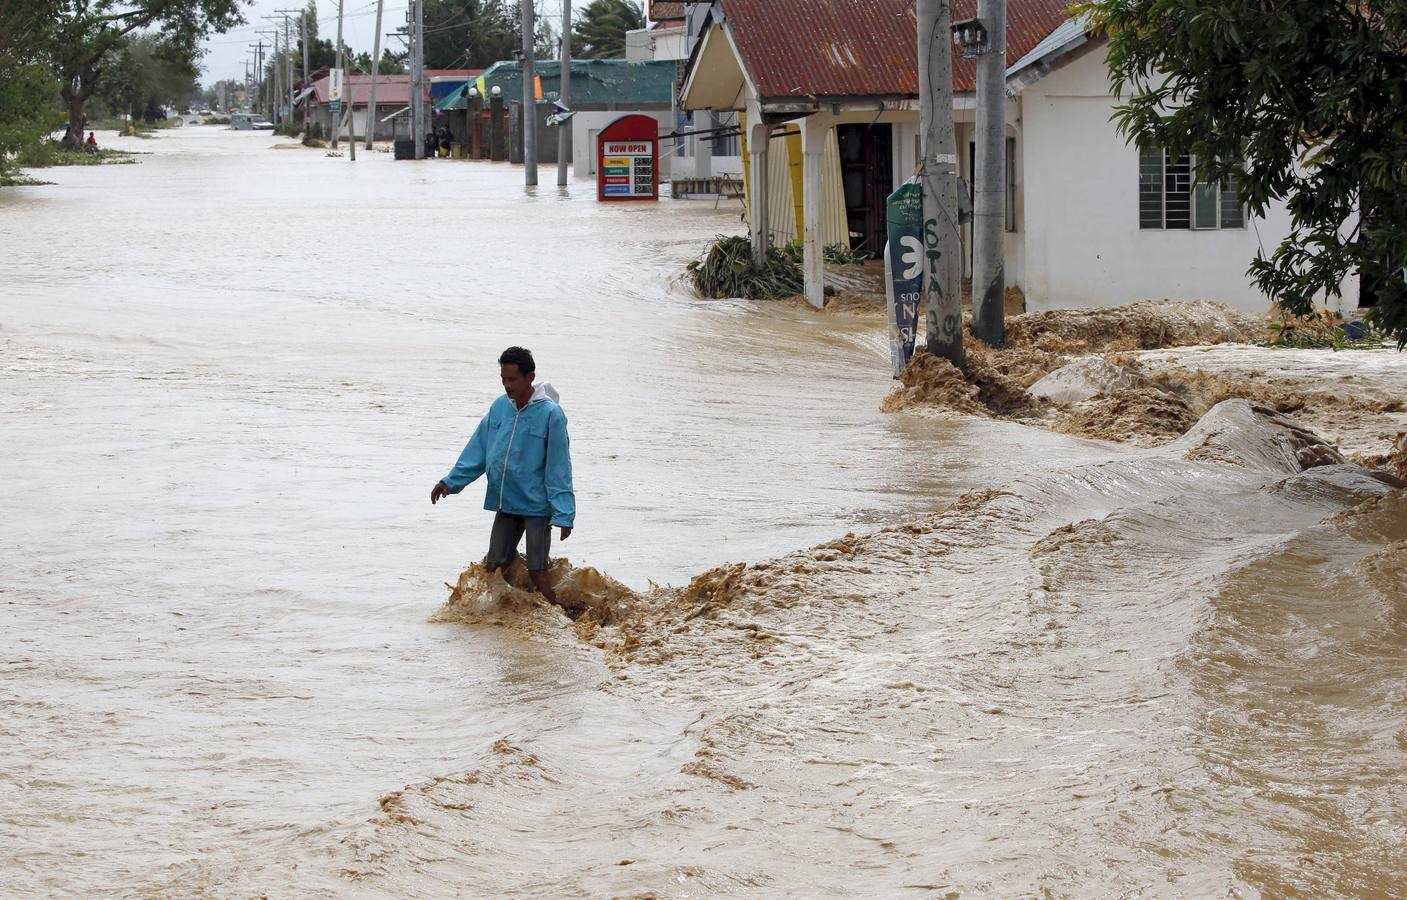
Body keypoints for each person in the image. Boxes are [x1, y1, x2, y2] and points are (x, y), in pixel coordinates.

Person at [431, 346, 575, 606]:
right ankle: (505, 620)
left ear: (530, 377)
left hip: (536, 506)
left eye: (513, 379)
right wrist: (449, 482)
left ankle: (564, 623)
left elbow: (559, 467)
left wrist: (564, 513)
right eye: (503, 380)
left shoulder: (551, 415)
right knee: (494, 567)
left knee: (537, 571)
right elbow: (479, 449)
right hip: (506, 502)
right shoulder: (500, 407)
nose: (507, 386)